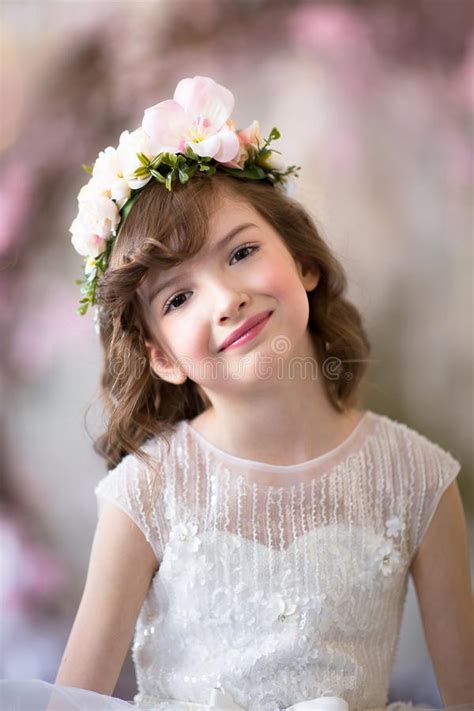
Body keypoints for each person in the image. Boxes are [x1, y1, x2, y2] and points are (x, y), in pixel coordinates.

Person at [1, 76, 473, 711]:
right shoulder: (147, 492)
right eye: (179, 297)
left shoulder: (418, 479)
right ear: (161, 356)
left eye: (242, 252)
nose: (227, 300)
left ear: (304, 263)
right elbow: (73, 704)